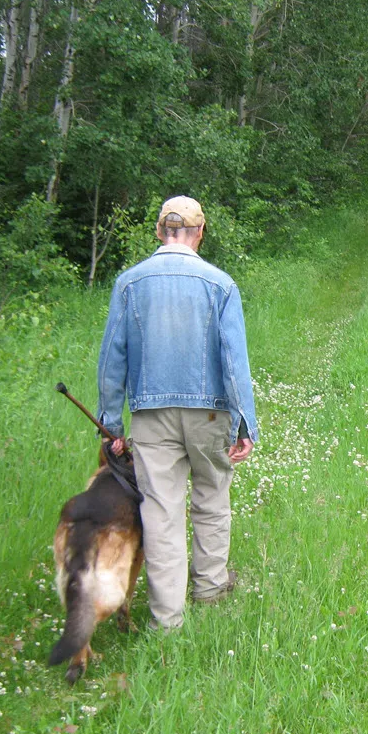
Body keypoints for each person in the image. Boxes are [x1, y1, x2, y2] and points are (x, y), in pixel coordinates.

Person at [97, 195, 258, 631]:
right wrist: (245, 424)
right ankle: (209, 586)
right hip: (210, 415)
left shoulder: (129, 283)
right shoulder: (221, 285)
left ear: (158, 231)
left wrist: (110, 423)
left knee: (160, 510)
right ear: (200, 233)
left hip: (151, 414)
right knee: (211, 495)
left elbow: (113, 359)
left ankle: (166, 619)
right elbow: (234, 361)